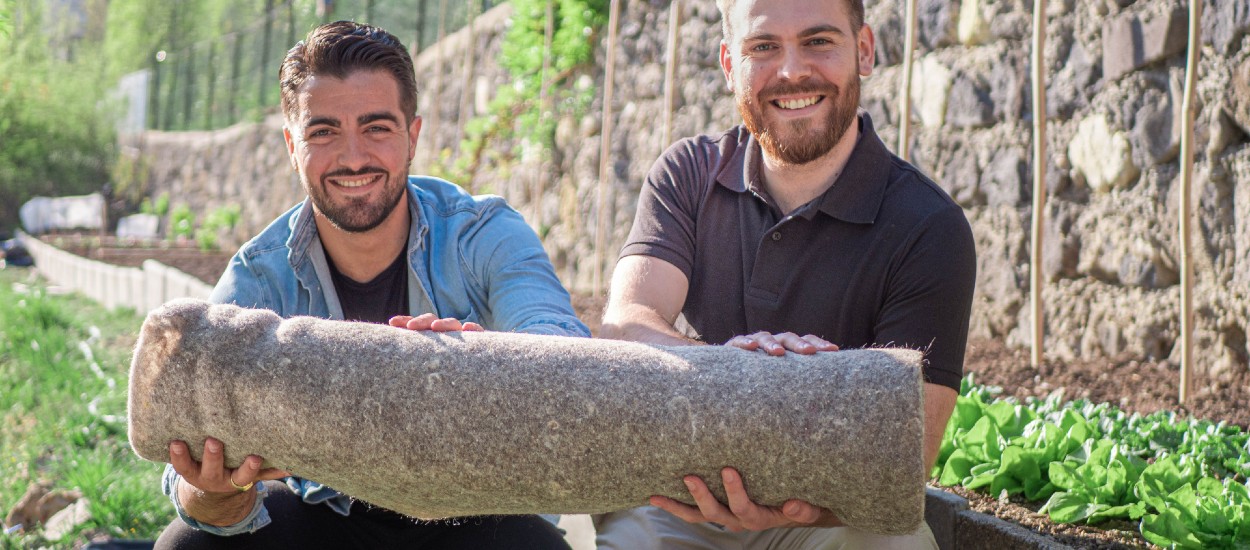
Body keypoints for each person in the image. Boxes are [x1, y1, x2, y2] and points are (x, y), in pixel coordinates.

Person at [153, 21, 588, 550]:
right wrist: (220, 492)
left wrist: (487, 361)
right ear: (293, 146)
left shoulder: (483, 234)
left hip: (473, 514)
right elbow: (189, 469)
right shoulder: (259, 277)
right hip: (325, 510)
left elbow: (560, 343)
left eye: (377, 127)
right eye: (324, 132)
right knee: (187, 545)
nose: (353, 156)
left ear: (413, 137)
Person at [596, 0, 976, 548]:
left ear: (863, 51)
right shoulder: (686, 174)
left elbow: (904, 457)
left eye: (819, 41)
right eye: (763, 47)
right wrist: (736, 364)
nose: (792, 71)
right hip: (686, 499)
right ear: (730, 65)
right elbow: (626, 325)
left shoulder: (929, 227)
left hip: (826, 516)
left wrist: (792, 501)